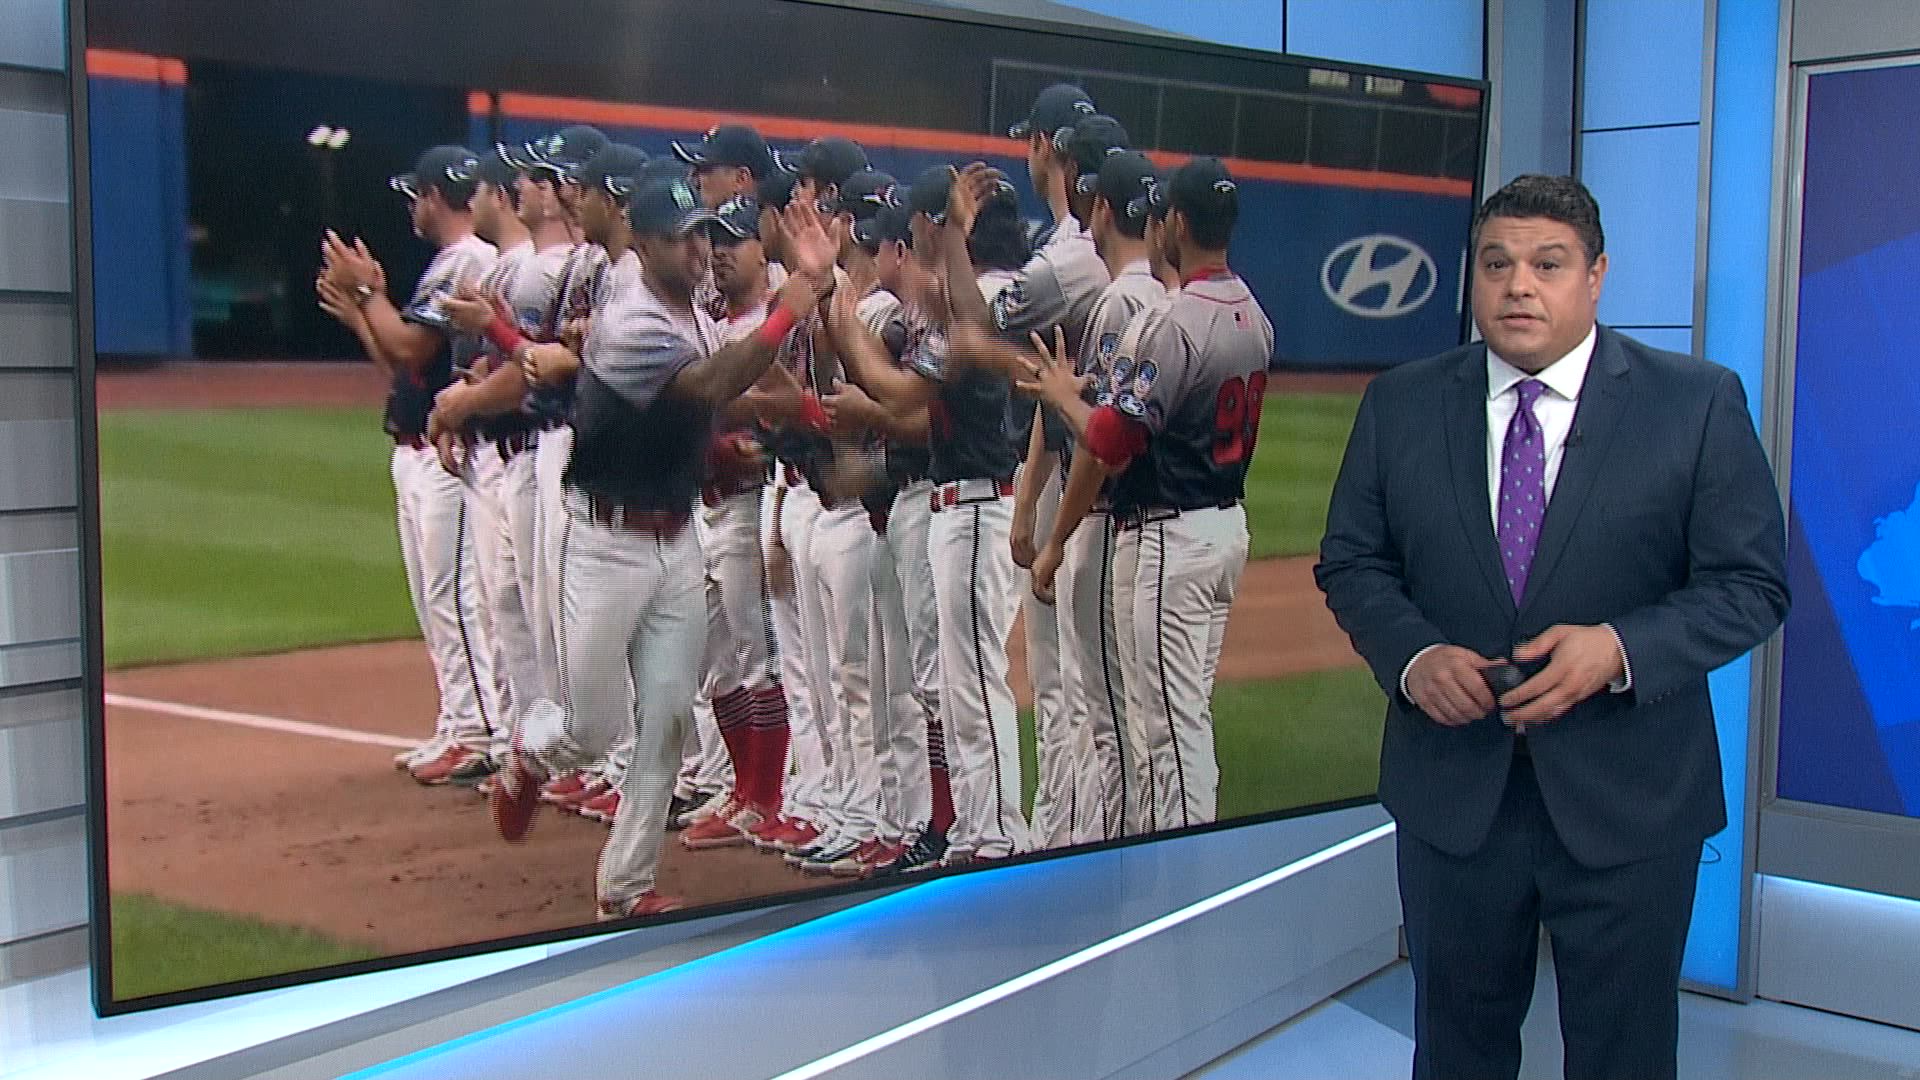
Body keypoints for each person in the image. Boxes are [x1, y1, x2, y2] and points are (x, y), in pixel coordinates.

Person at [1314, 174, 1790, 1080]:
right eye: (1496, 264)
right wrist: (1413, 658)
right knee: (1457, 1053)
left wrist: (1620, 649)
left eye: (1547, 264)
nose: (1518, 285)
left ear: (1597, 276)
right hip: (1456, 802)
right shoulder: (1403, 404)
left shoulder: (1694, 404)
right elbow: (1352, 561)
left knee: (1625, 1057)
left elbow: (1750, 584)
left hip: (1631, 806)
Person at [491, 156, 838, 920]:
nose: (699, 250)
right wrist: (791, 304)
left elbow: (716, 400)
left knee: (670, 716)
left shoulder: (695, 312)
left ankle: (627, 883)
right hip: (605, 542)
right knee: (592, 727)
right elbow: (709, 387)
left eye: (704, 235)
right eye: (683, 238)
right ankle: (530, 750)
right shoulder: (632, 319)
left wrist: (752, 420)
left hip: (676, 537)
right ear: (644, 244)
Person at [1019, 157, 1272, 835]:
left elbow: (1111, 438)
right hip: (1224, 531)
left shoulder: (1177, 320)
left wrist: (1063, 396)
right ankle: (1166, 868)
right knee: (1181, 718)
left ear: (1177, 224)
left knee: (1167, 729)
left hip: (1170, 537)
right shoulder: (1255, 312)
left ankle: (1183, 884)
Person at [317, 145, 500, 787]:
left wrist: (369, 294)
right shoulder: (450, 262)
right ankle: (458, 720)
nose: (411, 207)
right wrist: (362, 311)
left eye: (415, 195)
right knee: (436, 597)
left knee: (456, 596)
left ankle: (479, 729)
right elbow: (403, 363)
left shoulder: (470, 261)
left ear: (433, 197)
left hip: (445, 457)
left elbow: (406, 342)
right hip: (416, 450)